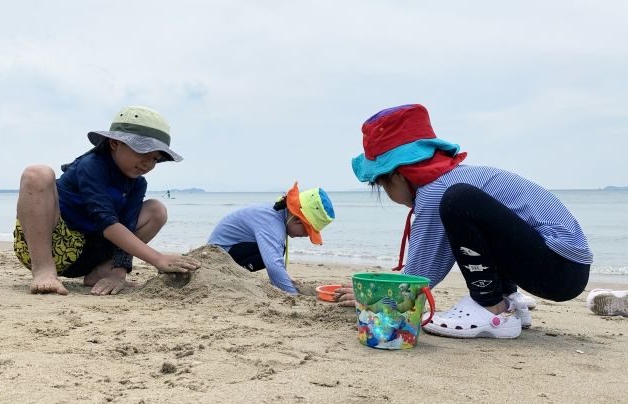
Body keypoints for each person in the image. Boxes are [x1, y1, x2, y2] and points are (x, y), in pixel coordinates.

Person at [338, 103, 592, 338]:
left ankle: (490, 307)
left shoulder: (437, 191)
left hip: (560, 266)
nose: (387, 194)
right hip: (563, 267)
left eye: (382, 185)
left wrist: (378, 297)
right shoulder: (451, 179)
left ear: (398, 176)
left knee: (459, 200)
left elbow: (419, 274)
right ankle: (506, 299)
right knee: (467, 210)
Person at [14, 105, 201, 296]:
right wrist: (158, 259)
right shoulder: (92, 165)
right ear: (114, 143)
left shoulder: (137, 184)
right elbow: (107, 223)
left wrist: (118, 274)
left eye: (155, 158)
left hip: (92, 254)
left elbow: (127, 228)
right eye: (143, 152)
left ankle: (103, 272)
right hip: (52, 244)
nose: (148, 163)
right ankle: (44, 271)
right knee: (37, 173)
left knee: (156, 210)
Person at [207, 183, 335, 294]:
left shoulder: (277, 214)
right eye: (307, 231)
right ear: (297, 219)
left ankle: (235, 273)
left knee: (278, 250)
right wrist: (292, 294)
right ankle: (231, 274)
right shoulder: (271, 222)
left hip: (228, 249)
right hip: (217, 255)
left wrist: (284, 278)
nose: (305, 236)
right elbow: (273, 264)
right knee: (275, 254)